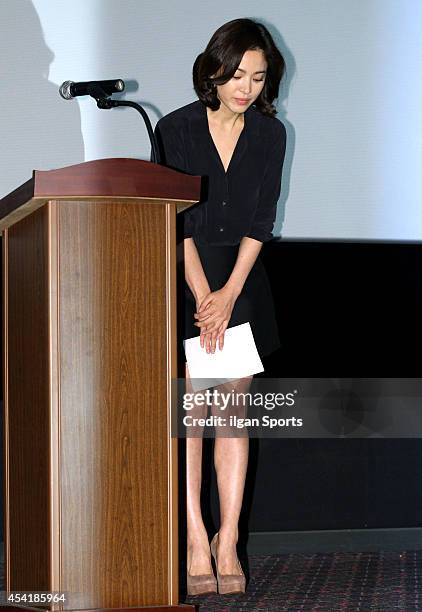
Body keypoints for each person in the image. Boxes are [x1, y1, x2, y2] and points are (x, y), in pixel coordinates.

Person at [153, 17, 286, 596]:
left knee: (233, 414)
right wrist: (203, 296)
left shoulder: (270, 134)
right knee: (194, 419)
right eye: (237, 74)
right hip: (187, 277)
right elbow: (175, 219)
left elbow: (262, 221)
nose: (246, 87)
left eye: (257, 78)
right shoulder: (176, 128)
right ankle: (192, 534)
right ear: (214, 69)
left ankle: (227, 539)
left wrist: (229, 294)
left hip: (241, 280)